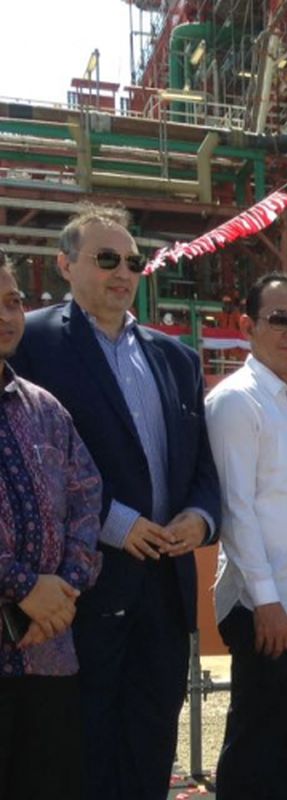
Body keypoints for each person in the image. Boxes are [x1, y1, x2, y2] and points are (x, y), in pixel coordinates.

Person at [11, 204, 222, 800]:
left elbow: (202, 468)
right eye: (106, 259)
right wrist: (115, 523)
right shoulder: (34, 342)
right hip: (84, 587)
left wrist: (199, 519)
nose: (123, 272)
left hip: (164, 586)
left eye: (133, 260)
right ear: (64, 264)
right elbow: (31, 466)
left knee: (152, 740)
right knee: (85, 744)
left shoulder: (176, 358)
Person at [204, 273, 287, 799]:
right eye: (279, 319)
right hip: (271, 606)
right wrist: (267, 601)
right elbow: (236, 511)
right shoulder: (238, 401)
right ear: (247, 326)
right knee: (257, 746)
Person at [0, 257, 102, 800]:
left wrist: (62, 589)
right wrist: (22, 587)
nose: (7, 315)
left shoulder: (45, 410)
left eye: (14, 301)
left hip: (49, 657)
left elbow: (87, 498)